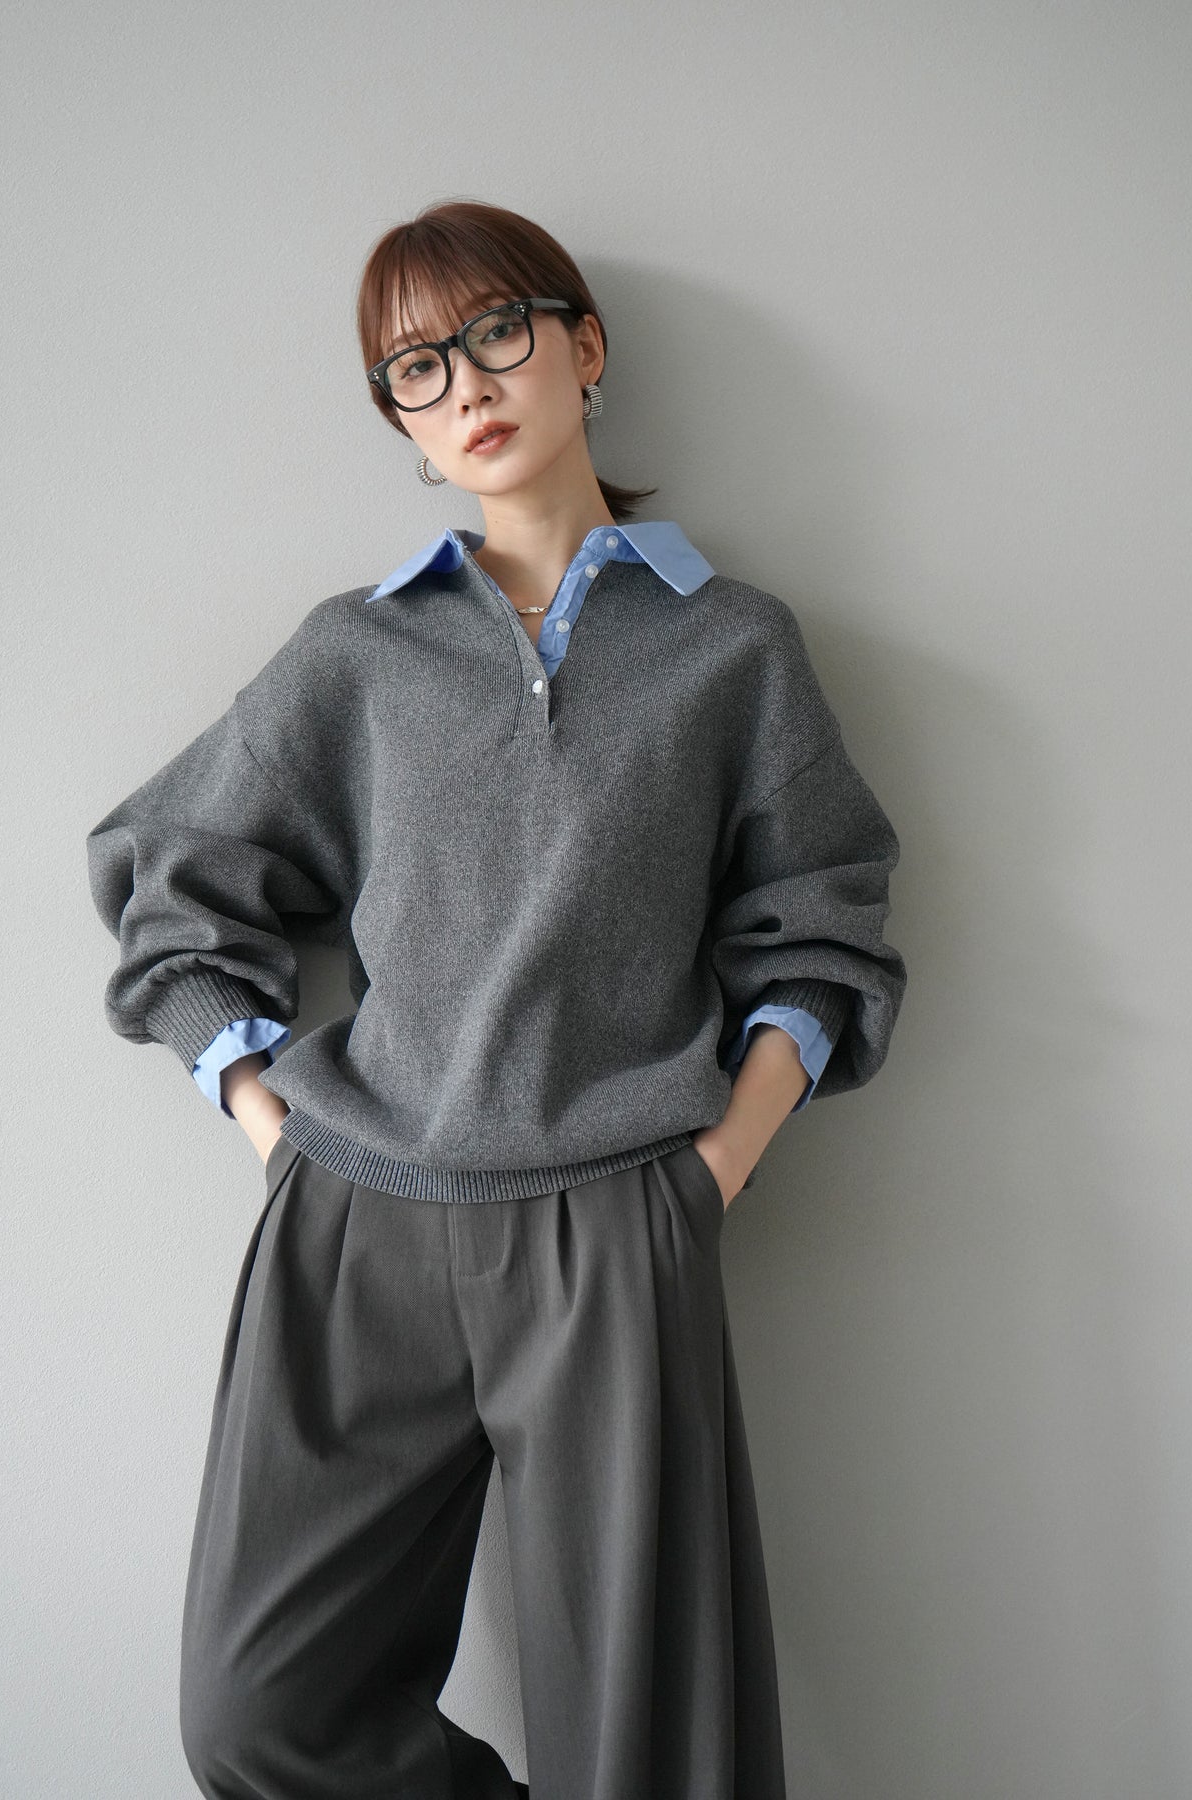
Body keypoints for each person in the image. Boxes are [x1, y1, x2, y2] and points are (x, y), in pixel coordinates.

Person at [85, 198, 908, 1800]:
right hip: (355, 1222)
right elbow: (171, 881)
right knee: (259, 1716)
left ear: (582, 348)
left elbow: (824, 925)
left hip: (616, 1219)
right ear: (398, 422)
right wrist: (271, 1127)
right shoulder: (356, 654)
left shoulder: (730, 648)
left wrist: (707, 1173)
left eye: (495, 332)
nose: (464, 382)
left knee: (648, 1747)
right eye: (414, 366)